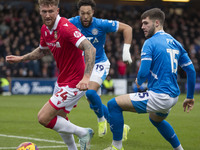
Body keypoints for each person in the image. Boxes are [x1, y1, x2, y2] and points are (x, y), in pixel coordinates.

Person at [6, 0, 96, 150]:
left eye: (51, 11)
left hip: (76, 81)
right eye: (44, 11)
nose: (47, 15)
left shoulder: (65, 27)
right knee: (60, 118)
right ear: (40, 11)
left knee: (43, 117)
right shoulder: (45, 29)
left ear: (57, 10)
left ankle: (83, 132)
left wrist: (86, 78)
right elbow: (42, 50)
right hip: (62, 80)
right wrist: (22, 58)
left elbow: (90, 48)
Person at [105, 8, 196, 150]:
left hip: (159, 96)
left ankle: (116, 147)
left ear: (157, 23)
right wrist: (189, 97)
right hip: (173, 97)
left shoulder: (150, 42)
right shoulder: (176, 43)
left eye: (146, 23)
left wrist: (139, 81)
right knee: (156, 120)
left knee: (113, 105)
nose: (142, 27)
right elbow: (191, 70)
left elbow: (144, 71)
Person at [69, 0, 132, 138]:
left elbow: (128, 28)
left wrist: (126, 51)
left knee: (91, 94)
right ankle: (121, 127)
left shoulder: (101, 24)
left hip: (99, 64)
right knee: (93, 104)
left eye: (88, 13)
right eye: (82, 13)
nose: (85, 16)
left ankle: (101, 120)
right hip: (83, 67)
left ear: (93, 13)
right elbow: (55, 29)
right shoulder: (71, 23)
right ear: (78, 13)